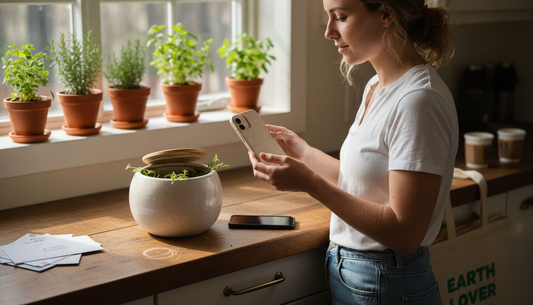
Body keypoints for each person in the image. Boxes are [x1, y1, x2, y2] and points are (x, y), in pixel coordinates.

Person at [248, 0, 458, 304]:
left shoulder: (418, 100)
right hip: (360, 273)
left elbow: (405, 233)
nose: (329, 32)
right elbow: (365, 185)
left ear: (386, 14)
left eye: (341, 17)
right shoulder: (377, 86)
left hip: (387, 280)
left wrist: (310, 184)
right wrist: (304, 154)